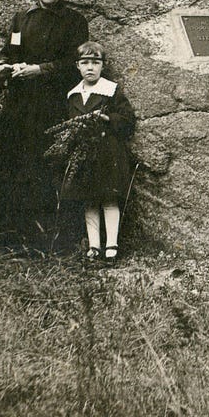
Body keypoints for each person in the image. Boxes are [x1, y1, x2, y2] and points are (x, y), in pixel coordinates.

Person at [0, 0, 91, 248]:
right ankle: (6, 234)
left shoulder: (74, 22)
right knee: (10, 164)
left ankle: (42, 238)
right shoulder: (21, 18)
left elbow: (75, 64)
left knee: (42, 167)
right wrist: (3, 65)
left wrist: (40, 70)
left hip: (50, 107)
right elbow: (8, 51)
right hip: (18, 105)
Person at [51, 42, 137, 265]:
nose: (90, 68)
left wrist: (108, 119)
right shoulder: (73, 95)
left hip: (107, 152)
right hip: (83, 155)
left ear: (103, 66)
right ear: (77, 66)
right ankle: (94, 246)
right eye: (85, 63)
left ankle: (112, 245)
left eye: (95, 63)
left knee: (109, 198)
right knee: (89, 200)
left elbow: (128, 120)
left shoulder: (111, 90)